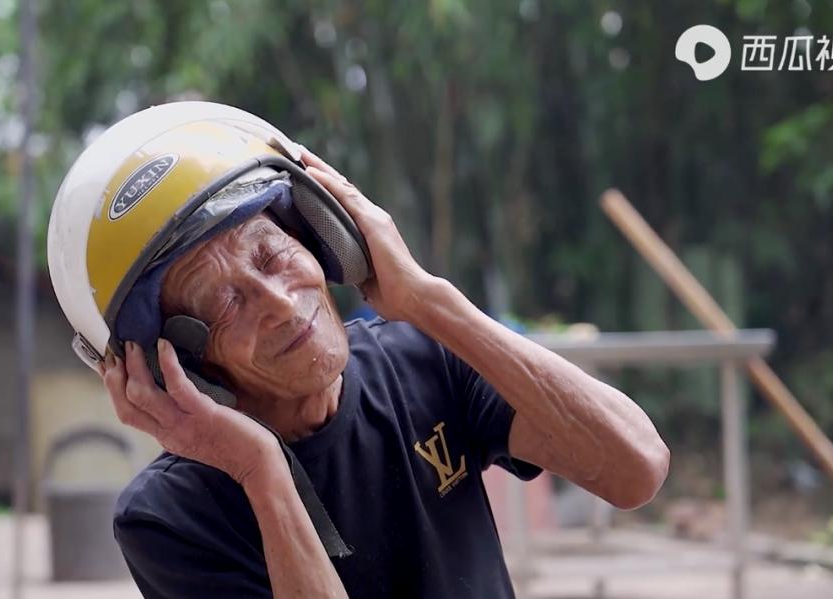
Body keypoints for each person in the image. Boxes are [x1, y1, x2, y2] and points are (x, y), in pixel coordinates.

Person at [48, 102, 669, 599]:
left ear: (324, 236)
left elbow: (636, 467)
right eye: (226, 302)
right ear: (175, 363)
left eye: (273, 255)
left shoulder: (425, 358)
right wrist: (262, 472)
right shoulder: (169, 519)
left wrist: (426, 299)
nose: (284, 305)